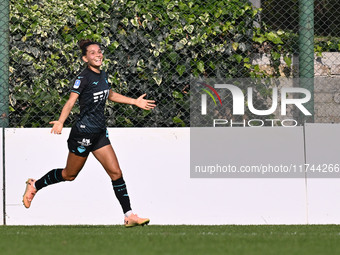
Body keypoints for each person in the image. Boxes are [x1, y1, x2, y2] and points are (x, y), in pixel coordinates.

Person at [23, 39, 156, 227]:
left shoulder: (103, 75)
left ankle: (129, 215)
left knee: (116, 173)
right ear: (85, 58)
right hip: (83, 133)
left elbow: (109, 94)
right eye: (92, 53)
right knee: (69, 175)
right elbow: (70, 102)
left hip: (99, 133)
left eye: (99, 51)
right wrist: (61, 121)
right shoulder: (83, 78)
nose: (98, 54)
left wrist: (134, 101)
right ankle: (35, 185)